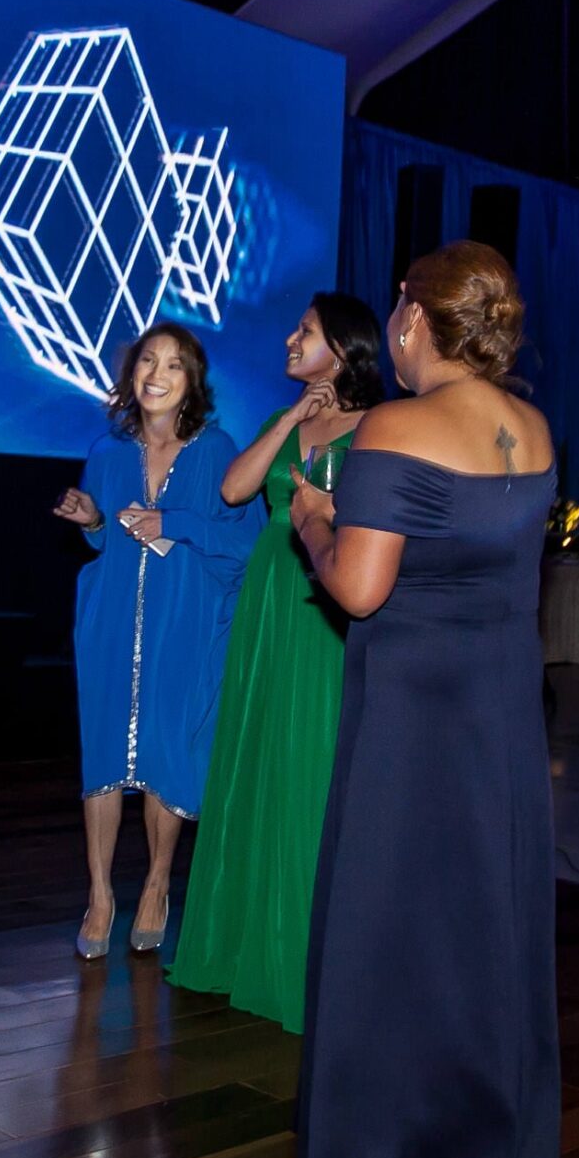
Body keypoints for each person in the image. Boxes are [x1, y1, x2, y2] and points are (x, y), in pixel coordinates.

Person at [288, 241, 559, 1158]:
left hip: (412, 719)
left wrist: (313, 522)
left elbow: (360, 590)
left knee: (390, 925)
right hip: (502, 716)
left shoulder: (397, 426)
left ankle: (382, 1149)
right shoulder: (533, 427)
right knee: (483, 924)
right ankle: (488, 1144)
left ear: (411, 316)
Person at [169, 292, 381, 1032]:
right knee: (255, 758)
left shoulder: (379, 428)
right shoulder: (278, 421)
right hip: (267, 600)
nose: (291, 339)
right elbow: (234, 490)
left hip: (326, 598)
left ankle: (303, 956)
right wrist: (291, 421)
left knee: (309, 763)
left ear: (344, 350)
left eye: (307, 331)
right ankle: (241, 942)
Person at [52, 323, 260, 959]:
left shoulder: (217, 450)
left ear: (192, 382)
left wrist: (178, 521)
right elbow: (102, 537)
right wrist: (91, 520)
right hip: (110, 619)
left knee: (167, 755)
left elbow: (246, 541)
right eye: (148, 360)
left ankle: (156, 885)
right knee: (104, 754)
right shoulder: (107, 450)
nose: (157, 374)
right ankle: (99, 895)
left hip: (183, 622)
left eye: (173, 365)